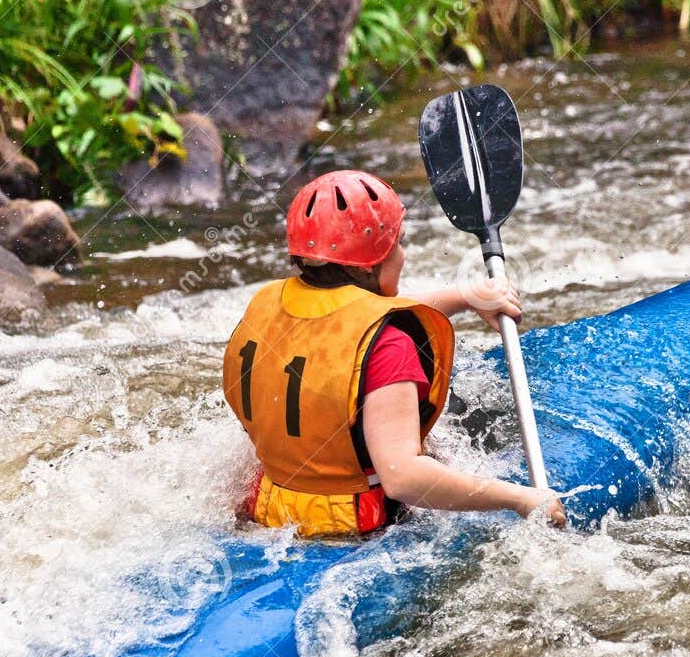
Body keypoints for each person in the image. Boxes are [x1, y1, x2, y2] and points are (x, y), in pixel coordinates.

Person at [222, 169, 566, 538]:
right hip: (352, 537)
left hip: (269, 512)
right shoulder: (390, 345)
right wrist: (520, 498)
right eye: (397, 244)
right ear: (371, 262)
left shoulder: (268, 303)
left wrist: (464, 297)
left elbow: (351, 317)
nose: (402, 255)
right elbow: (403, 478)